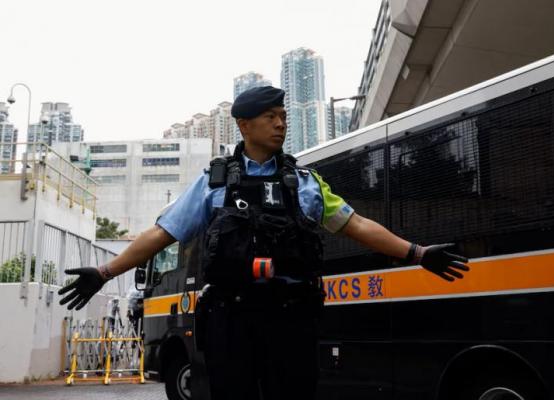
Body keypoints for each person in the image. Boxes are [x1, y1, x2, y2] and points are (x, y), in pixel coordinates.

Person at [58, 86, 469, 400]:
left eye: (284, 117)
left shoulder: (304, 183)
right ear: (244, 125)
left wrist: (416, 253)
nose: (280, 124)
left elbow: (355, 223)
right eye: (270, 116)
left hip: (292, 319)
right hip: (230, 321)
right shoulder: (214, 182)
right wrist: (104, 271)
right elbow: (162, 233)